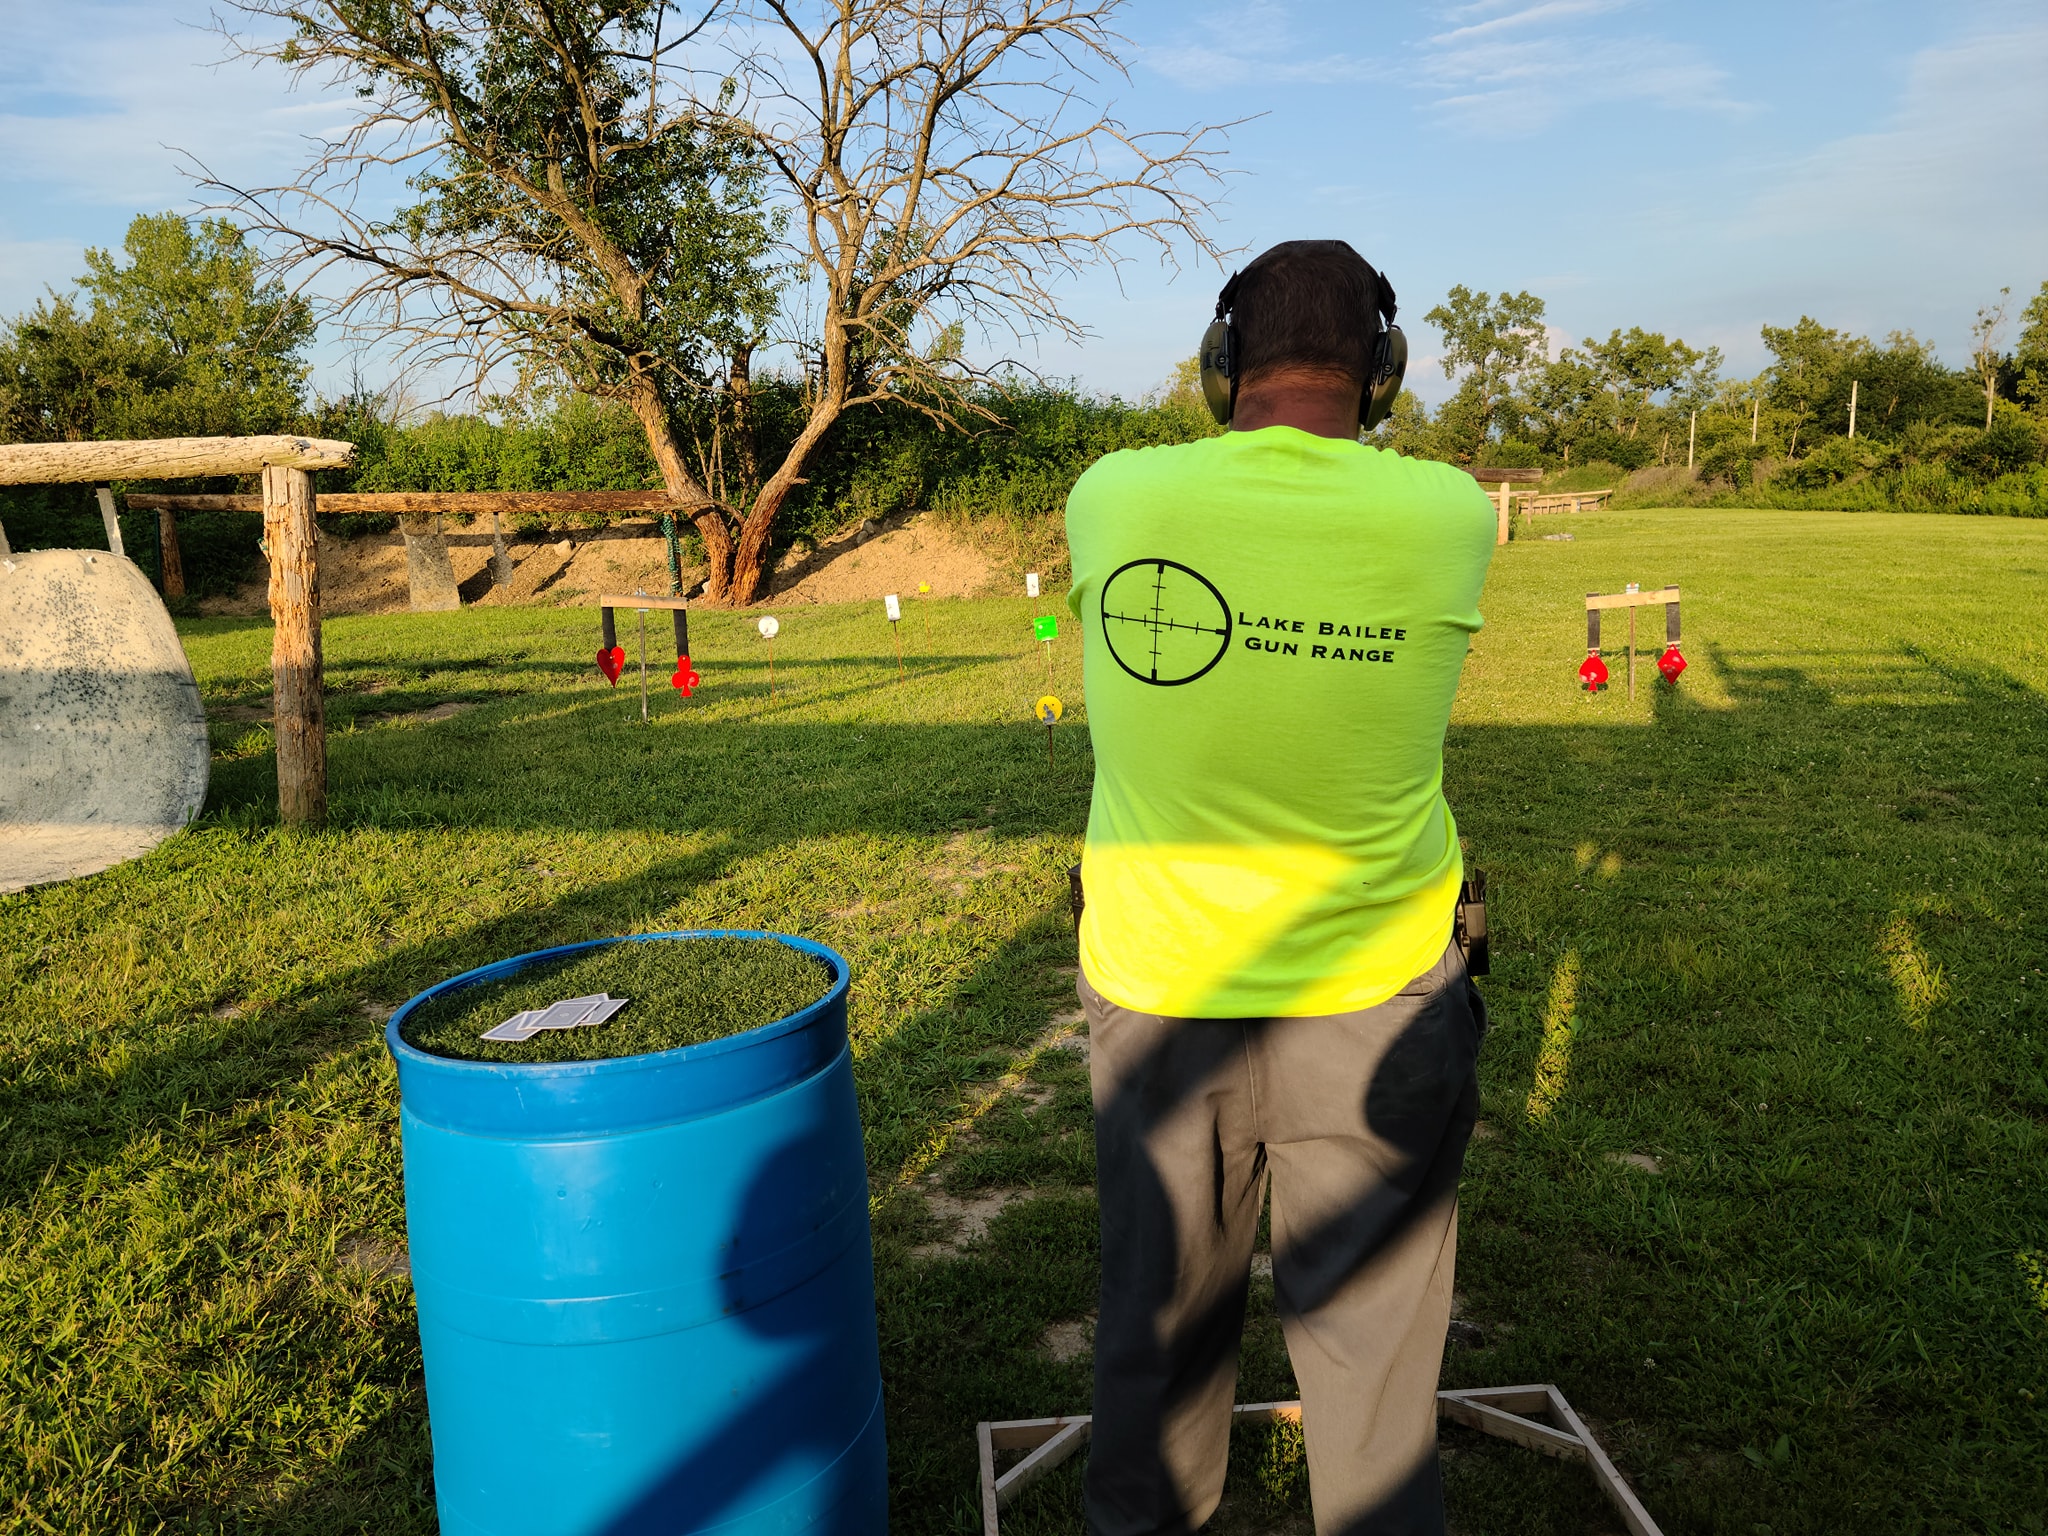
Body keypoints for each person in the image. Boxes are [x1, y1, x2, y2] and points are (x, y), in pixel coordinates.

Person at [1063, 240, 1496, 1536]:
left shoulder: (1114, 500)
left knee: (1155, 1362)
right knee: (1372, 1393)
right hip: (1378, 1003)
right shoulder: (1450, 514)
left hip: (1159, 1004)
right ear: (1383, 377)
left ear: (1219, 369)